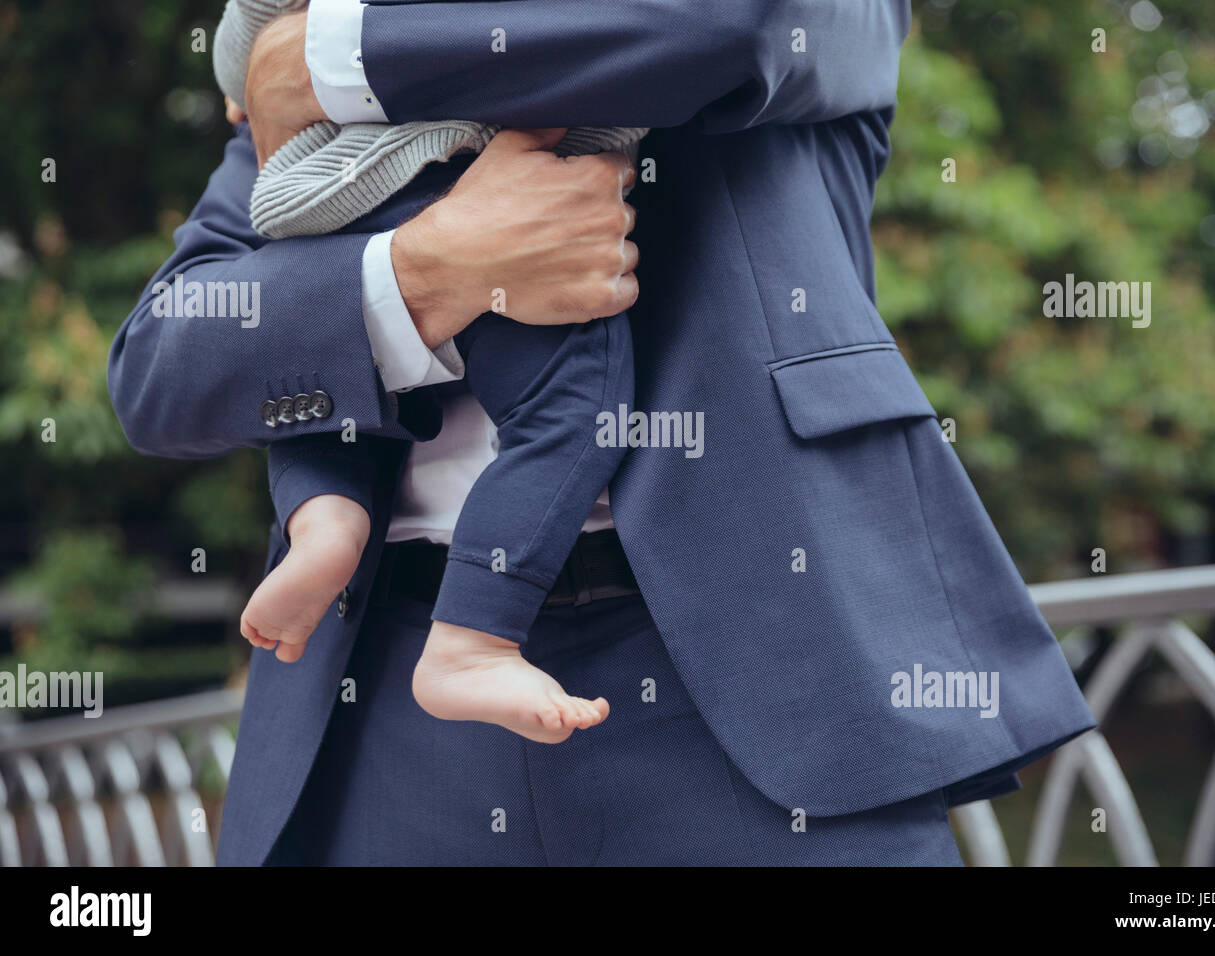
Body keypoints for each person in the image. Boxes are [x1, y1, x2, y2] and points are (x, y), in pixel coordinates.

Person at [109, 0, 1096, 866]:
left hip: (762, 677)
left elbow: (724, 26)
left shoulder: (325, 46)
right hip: (384, 708)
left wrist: (326, 57)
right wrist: (424, 274)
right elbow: (162, 363)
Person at [214, 0, 650, 742]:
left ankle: (324, 522)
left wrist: (268, 69)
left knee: (337, 382)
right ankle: (474, 639)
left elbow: (244, 57)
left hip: (335, 194)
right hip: (467, 179)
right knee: (575, 402)